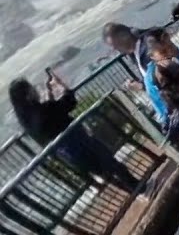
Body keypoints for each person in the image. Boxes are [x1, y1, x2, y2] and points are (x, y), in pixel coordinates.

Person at [9, 74, 141, 190]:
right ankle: (140, 188)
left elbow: (52, 115)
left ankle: (134, 191)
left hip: (67, 154)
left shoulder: (28, 123)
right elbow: (69, 103)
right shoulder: (43, 112)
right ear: (28, 95)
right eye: (32, 88)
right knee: (112, 164)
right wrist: (61, 85)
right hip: (81, 142)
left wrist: (49, 92)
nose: (35, 90)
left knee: (106, 173)